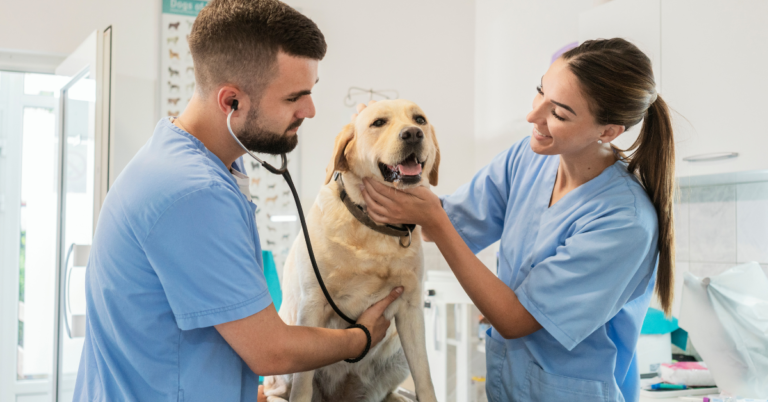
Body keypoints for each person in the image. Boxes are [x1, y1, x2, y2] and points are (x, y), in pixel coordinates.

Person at [73, 1, 403, 400]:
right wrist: (360, 338)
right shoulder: (193, 193)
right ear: (232, 102)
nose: (310, 110)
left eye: (311, 92)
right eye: (294, 98)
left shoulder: (189, 160)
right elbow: (270, 350)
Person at [361, 38, 675, 402]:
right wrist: (377, 144)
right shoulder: (529, 158)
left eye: (558, 113)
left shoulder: (624, 221)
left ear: (607, 131)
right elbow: (447, 221)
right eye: (539, 91)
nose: (533, 116)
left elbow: (513, 319)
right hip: (509, 389)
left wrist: (432, 217)